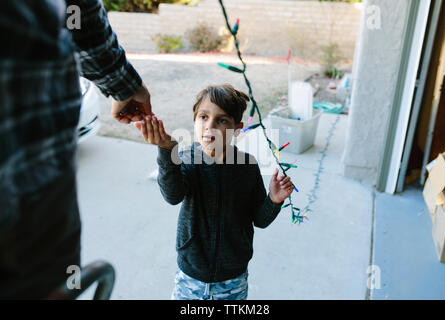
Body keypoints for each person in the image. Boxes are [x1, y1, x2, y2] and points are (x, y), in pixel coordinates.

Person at [0, 0, 151, 299]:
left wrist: (123, 84)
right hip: (34, 227)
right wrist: (123, 83)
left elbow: (77, 15)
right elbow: (79, 15)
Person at [134, 84, 294, 300]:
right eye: (203, 117)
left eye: (222, 120)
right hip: (191, 276)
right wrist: (166, 150)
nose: (210, 126)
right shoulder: (188, 159)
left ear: (237, 129)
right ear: (194, 120)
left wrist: (273, 200)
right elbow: (172, 196)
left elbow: (260, 219)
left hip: (233, 279)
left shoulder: (247, 166)